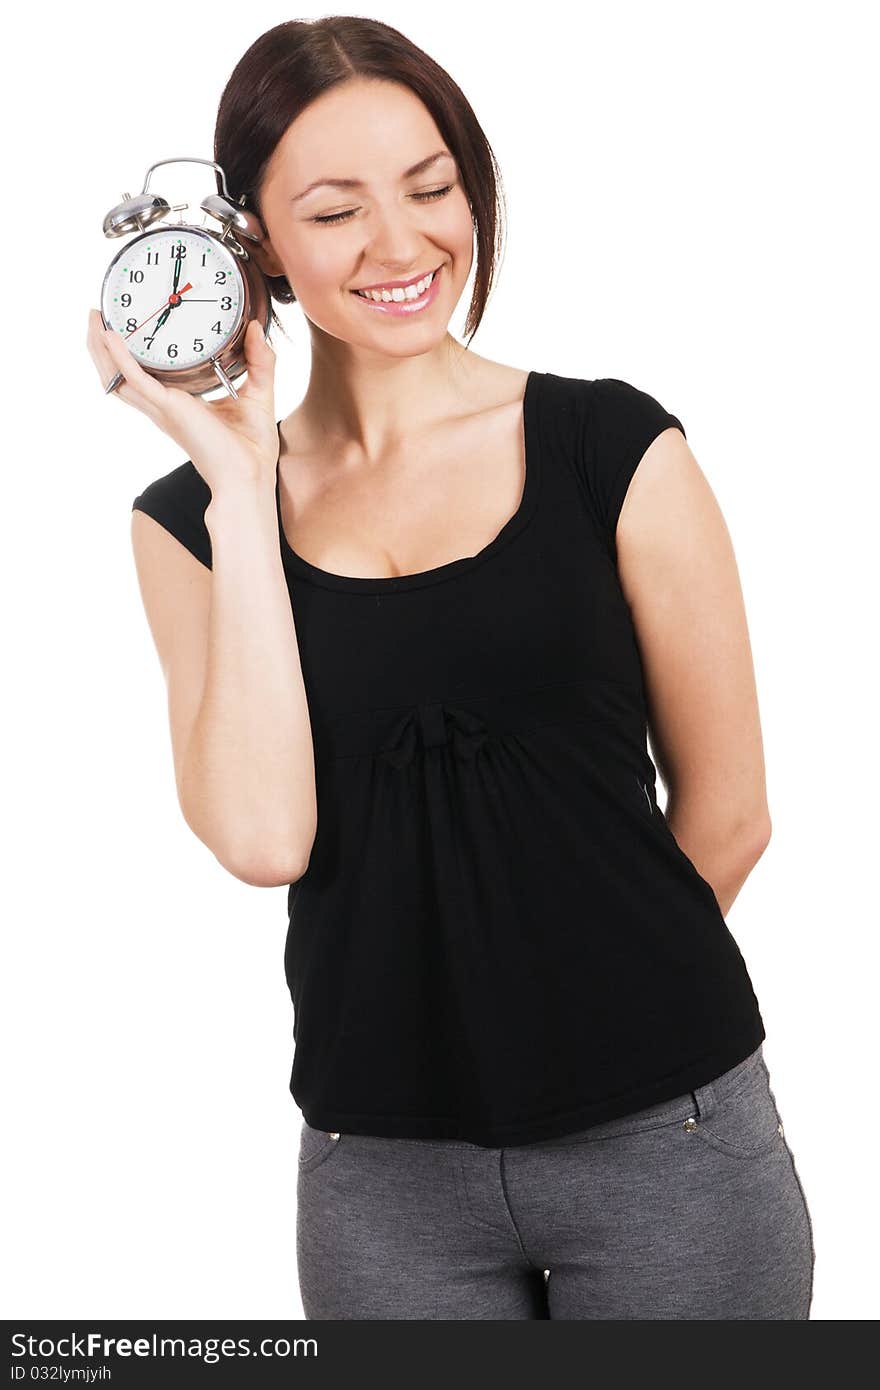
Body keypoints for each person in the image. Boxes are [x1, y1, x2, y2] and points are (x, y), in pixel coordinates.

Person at [86, 16, 815, 1319]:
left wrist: (590, 1034)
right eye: (337, 210)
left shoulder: (617, 448)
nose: (406, 243)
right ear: (255, 244)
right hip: (383, 1181)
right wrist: (243, 486)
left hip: (671, 1144)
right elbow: (263, 836)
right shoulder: (187, 527)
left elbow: (733, 810)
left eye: (434, 187)